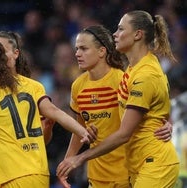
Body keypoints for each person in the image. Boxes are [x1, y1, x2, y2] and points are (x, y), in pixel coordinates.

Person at [57, 10, 179, 188]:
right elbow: (156, 104)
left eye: (121, 29)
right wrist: (68, 163)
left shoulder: (134, 76)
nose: (115, 33)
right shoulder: (132, 71)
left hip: (136, 168)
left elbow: (125, 132)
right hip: (115, 170)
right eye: (76, 49)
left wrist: (79, 158)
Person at [0, 39, 96, 188]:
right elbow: (55, 111)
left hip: (11, 176)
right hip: (40, 173)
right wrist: (82, 131)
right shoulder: (33, 86)